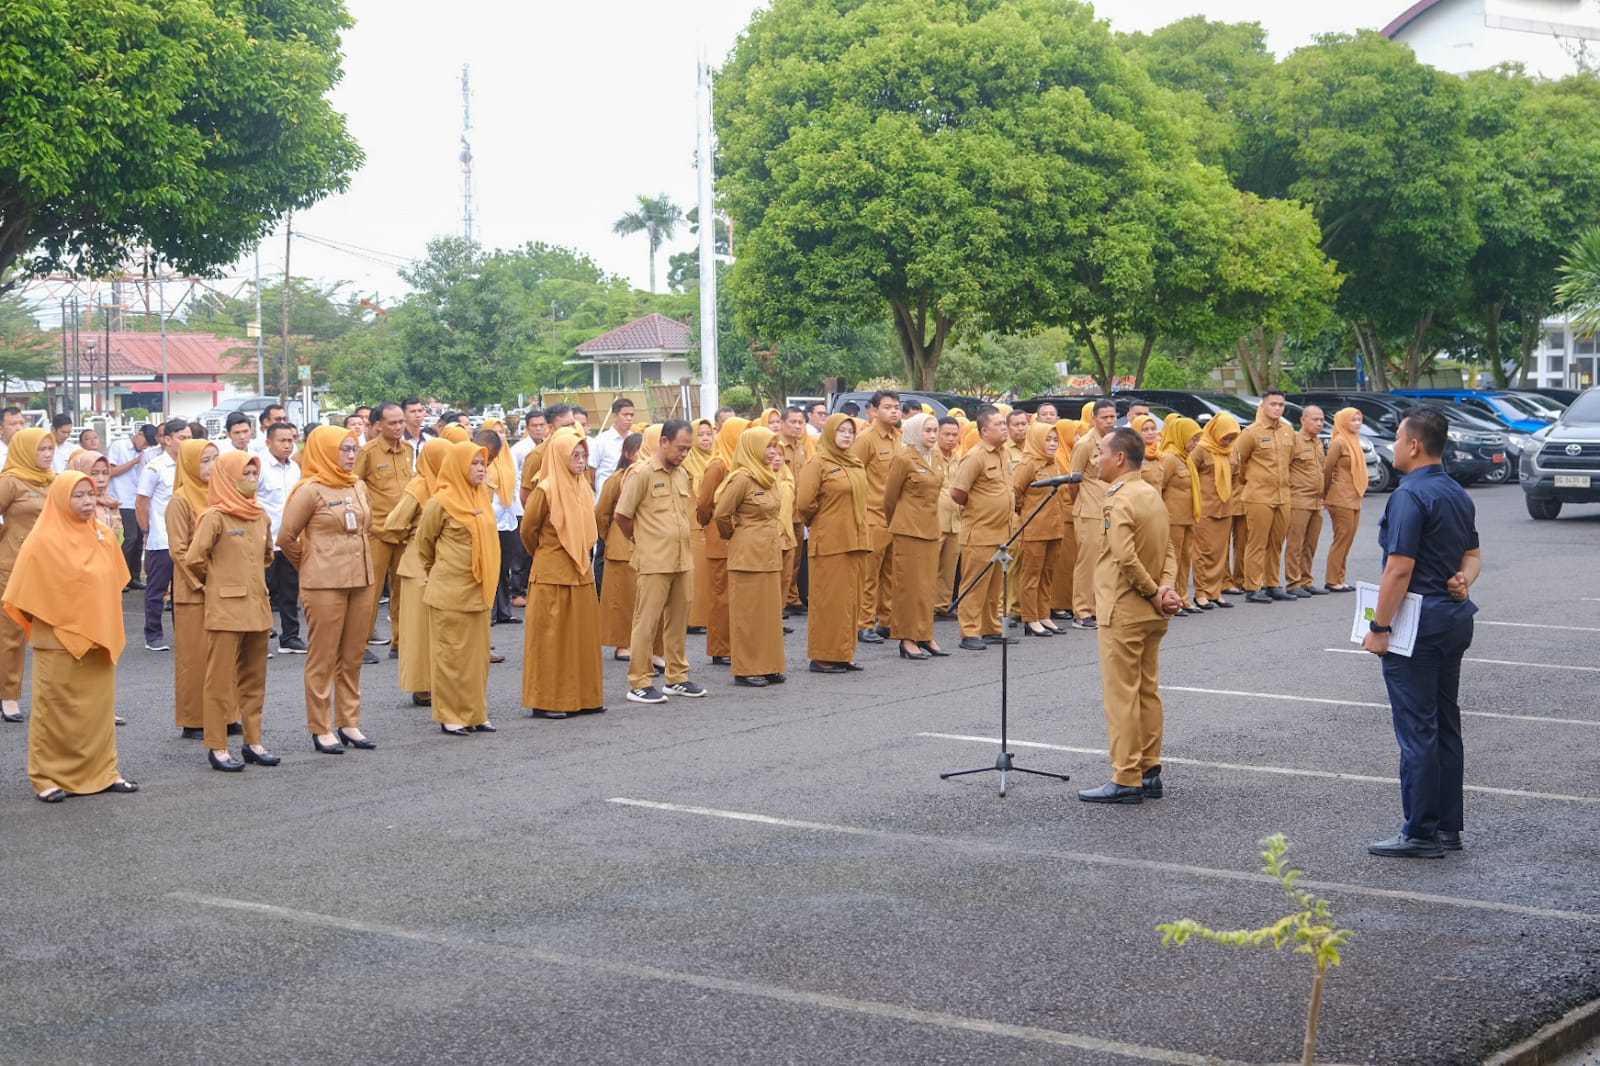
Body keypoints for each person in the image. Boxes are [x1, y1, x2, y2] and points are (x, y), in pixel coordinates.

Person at [1362, 407, 1481, 858]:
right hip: (1452, 618)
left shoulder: (1409, 495)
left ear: (1414, 445)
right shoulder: (1455, 491)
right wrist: (1465, 579)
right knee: (1445, 723)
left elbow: (1399, 569)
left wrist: (1379, 626)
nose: (1392, 445)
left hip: (1417, 623)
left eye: (1396, 438)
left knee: (1417, 728)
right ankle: (1448, 825)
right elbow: (1472, 554)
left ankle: (1419, 832)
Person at [4, 471, 136, 801]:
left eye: (90, 494)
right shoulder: (42, 539)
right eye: (78, 496)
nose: (87, 502)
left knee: (97, 712)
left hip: (98, 636)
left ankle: (104, 771)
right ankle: (46, 777)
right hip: (58, 639)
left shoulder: (103, 534)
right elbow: (23, 592)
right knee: (55, 712)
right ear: (61, 498)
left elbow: (116, 580)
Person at [1078, 428, 1181, 804]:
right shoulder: (1151, 492)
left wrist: (1156, 592)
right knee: (1146, 690)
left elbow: (1123, 556)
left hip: (1124, 608)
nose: (1095, 459)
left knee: (1122, 694)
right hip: (1150, 611)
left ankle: (1126, 776)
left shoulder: (1117, 500)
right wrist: (1165, 589)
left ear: (1119, 458)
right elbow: (1169, 547)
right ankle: (1150, 769)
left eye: (1101, 453)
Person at [278, 426, 377, 754]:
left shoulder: (358, 486)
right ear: (324, 450)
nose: (351, 456)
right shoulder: (310, 490)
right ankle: (321, 727)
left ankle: (349, 722)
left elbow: (368, 528)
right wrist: (311, 564)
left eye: (354, 450)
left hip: (360, 581)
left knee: (352, 656)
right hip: (324, 585)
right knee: (323, 657)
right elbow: (286, 538)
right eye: (344, 450)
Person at [185, 451, 277, 771]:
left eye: (254, 473)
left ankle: (253, 742)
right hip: (226, 609)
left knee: (254, 680)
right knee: (219, 682)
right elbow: (195, 560)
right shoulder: (215, 516)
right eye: (245, 474)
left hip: (257, 607)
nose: (251, 479)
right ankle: (217, 746)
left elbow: (267, 556)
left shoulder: (260, 515)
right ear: (228, 477)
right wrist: (220, 582)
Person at [416, 440, 501, 735]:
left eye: (483, 464)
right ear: (458, 466)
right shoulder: (440, 502)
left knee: (477, 658)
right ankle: (451, 715)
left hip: (479, 589)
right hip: (450, 591)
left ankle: (476, 713)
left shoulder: (481, 498)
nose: (481, 469)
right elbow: (424, 546)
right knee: (450, 656)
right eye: (474, 464)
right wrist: (441, 572)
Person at [614, 420, 702, 704]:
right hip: (654, 561)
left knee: (678, 623)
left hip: (681, 560)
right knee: (646, 623)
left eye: (688, 449)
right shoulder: (641, 473)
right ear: (664, 442)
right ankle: (639, 681)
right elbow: (622, 516)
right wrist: (641, 540)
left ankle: (677, 677)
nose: (684, 454)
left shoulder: (681, 474)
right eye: (680, 448)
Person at [521, 428, 607, 716]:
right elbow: (528, 531)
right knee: (551, 640)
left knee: (581, 637)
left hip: (581, 572)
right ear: (559, 457)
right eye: (575, 455)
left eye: (584, 455)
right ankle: (545, 702)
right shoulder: (545, 489)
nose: (581, 461)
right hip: (552, 574)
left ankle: (585, 697)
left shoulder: (583, 486)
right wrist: (549, 554)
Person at [710, 426, 788, 686]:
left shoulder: (768, 476)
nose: (772, 452)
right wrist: (735, 535)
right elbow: (721, 513)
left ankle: (769, 665)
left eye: (774, 447)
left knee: (768, 614)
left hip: (769, 553)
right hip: (748, 554)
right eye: (767, 446)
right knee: (748, 613)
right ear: (752, 448)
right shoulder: (742, 478)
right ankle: (747, 668)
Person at [795, 414, 871, 674]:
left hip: (856, 540)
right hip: (830, 541)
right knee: (829, 600)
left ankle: (843, 653)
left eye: (851, 431)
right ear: (829, 433)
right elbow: (804, 503)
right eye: (841, 431)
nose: (847, 435)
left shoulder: (855, 462)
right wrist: (823, 521)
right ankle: (822, 656)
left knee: (849, 601)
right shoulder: (818, 463)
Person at [383, 438, 450, 707]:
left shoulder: (451, 485)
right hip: (417, 565)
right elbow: (393, 524)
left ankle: (439, 682)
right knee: (419, 630)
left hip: (441, 563)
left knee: (439, 629)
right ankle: (422, 686)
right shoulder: (419, 485)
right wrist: (413, 535)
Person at [949, 407, 1018, 652]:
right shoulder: (975, 456)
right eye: (998, 424)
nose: (1004, 427)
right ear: (984, 431)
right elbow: (957, 492)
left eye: (1004, 424)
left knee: (994, 585)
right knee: (974, 584)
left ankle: (990, 627)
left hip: (1002, 532)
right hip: (980, 531)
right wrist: (977, 507)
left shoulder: (1003, 454)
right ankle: (969, 631)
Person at [0, 428, 55, 722]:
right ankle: (8, 696)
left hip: (49, 568)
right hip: (13, 566)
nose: (47, 455)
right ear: (24, 450)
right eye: (41, 450)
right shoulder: (10, 481)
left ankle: (61, 697)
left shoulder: (54, 482)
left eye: (50, 449)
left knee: (56, 633)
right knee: (12, 633)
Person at [165, 439, 219, 740]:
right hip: (194, 590)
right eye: (205, 460)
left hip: (223, 588)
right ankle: (194, 718)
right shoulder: (181, 500)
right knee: (195, 658)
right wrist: (205, 579)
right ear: (188, 464)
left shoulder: (222, 494)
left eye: (215, 459)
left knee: (224, 655)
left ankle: (225, 713)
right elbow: (179, 550)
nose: (212, 466)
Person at [354, 402, 416, 656]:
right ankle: (361, 644)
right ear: (378, 425)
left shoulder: (409, 450)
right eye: (393, 423)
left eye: (401, 421)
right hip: (377, 532)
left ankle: (400, 642)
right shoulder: (366, 453)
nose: (399, 426)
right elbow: (355, 488)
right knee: (370, 592)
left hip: (405, 531)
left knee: (404, 591)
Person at [883, 412, 947, 659]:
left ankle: (924, 633)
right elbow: (889, 499)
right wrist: (899, 523)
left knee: (927, 586)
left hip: (931, 529)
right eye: (927, 431)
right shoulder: (903, 458)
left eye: (934, 431)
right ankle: (907, 638)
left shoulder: (936, 456)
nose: (932, 435)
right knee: (908, 586)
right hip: (909, 530)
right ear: (913, 432)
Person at [849, 390, 903, 643]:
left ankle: (887, 620)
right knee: (869, 575)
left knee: (891, 574)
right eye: (888, 407)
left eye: (897, 407)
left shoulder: (899, 437)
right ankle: (864, 623)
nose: (894, 411)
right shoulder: (866, 439)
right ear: (874, 410)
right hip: (872, 515)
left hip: (895, 517)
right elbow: (854, 477)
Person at [697, 417, 750, 666]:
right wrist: (710, 526)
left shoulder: (739, 464)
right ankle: (720, 648)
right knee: (721, 597)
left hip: (735, 538)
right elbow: (704, 503)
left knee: (734, 595)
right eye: (741, 435)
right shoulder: (718, 465)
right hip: (719, 539)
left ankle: (732, 645)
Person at [136, 419, 191, 650]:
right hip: (161, 539)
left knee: (184, 592)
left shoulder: (192, 466)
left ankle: (185, 634)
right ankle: (154, 635)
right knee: (157, 590)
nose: (187, 443)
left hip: (187, 540)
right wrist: (147, 532)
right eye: (182, 438)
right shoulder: (155, 467)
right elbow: (141, 503)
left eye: (189, 438)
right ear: (167, 440)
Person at [1237, 391, 1295, 603]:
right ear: (1262, 405)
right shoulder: (1251, 432)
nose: (1278, 408)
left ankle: (1272, 584)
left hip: (1283, 495)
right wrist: (1250, 481)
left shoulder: (1288, 431)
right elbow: (1239, 463)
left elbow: (1289, 461)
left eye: (1281, 404)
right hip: (1259, 495)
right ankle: (1252, 587)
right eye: (1273, 404)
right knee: (1257, 542)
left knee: (1277, 542)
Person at [1009, 420, 1064, 638]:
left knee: (1048, 574)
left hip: (1054, 528)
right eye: (1047, 439)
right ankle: (1030, 619)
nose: (1052, 444)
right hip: (1034, 528)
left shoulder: (1054, 463)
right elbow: (1015, 494)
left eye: (1055, 440)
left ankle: (1044, 614)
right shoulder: (1028, 464)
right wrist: (1026, 514)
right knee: (1031, 575)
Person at [1067, 400, 1118, 628]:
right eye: (1104, 417)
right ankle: (1082, 611)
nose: (1109, 421)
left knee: (1106, 561)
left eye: (1112, 417)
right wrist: (1083, 502)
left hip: (1109, 510)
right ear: (1094, 419)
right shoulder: (1085, 444)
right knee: (1087, 563)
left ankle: (1100, 608)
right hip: (1088, 511)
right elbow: (1073, 481)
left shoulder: (1115, 442)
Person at [258, 422, 307, 654]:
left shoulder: (295, 468)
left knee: (290, 590)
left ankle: (290, 637)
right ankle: (260, 640)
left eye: (291, 440)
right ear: (269, 442)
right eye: (282, 440)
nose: (288, 445)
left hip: (289, 538)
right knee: (262, 591)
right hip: (264, 539)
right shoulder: (258, 467)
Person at [595, 433, 644, 660]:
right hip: (622, 545)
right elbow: (601, 513)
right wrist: (612, 536)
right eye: (639, 451)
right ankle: (623, 643)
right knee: (623, 597)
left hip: (647, 543)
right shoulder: (617, 479)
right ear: (627, 454)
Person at [1191, 413, 1241, 611]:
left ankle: (1215, 592)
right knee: (1204, 552)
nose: (1228, 441)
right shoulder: (1201, 450)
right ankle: (1201, 593)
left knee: (1220, 552)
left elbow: (1236, 475)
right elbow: (1190, 476)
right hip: (1204, 508)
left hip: (1225, 507)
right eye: (1225, 437)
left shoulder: (1230, 450)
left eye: (1232, 438)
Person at [476, 423, 521, 624]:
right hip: (489, 518)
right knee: (490, 566)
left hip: (508, 518)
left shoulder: (508, 458)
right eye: (496, 432)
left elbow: (514, 486)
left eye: (503, 431)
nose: (501, 436)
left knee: (504, 566)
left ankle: (504, 610)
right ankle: (491, 610)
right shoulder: (479, 462)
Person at [1160, 417, 1203, 613]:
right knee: (1173, 560)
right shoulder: (1169, 457)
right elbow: (1160, 487)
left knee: (1186, 558)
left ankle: (1184, 598)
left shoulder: (1186, 457)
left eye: (1197, 439)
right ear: (1180, 436)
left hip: (1187, 518)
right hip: (1173, 518)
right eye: (1192, 439)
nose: (1195, 444)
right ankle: (1172, 599)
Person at [1285, 405, 1329, 599]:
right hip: (1298, 499)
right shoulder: (1294, 440)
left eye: (1321, 420)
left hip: (1315, 500)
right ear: (1303, 420)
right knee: (1295, 544)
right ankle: (1293, 582)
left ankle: (1306, 580)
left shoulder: (1318, 442)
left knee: (1310, 544)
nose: (1319, 423)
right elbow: (1283, 468)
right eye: (1315, 420)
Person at [1323, 408, 1367, 593]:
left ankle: (1341, 578)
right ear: (1342, 422)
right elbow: (1327, 469)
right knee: (1341, 538)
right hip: (1340, 497)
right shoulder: (1339, 442)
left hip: (1355, 496)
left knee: (1348, 539)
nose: (1357, 423)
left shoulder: (1355, 441)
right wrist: (1323, 495)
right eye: (1353, 420)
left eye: (1359, 419)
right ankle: (1332, 580)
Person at [106, 425, 152, 587]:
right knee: (130, 537)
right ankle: (121, 577)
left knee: (140, 538)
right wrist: (133, 462)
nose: (145, 447)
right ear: (139, 434)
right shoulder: (119, 445)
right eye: (145, 442)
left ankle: (134, 576)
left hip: (137, 499)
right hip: (121, 497)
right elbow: (111, 471)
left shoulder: (146, 453)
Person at [777, 406, 811, 614]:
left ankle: (792, 596)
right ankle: (780, 600)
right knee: (783, 558)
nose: (798, 426)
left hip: (798, 510)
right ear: (782, 424)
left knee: (796, 558)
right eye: (793, 422)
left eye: (801, 422)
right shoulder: (778, 448)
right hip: (782, 511)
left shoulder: (801, 447)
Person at [684, 417, 716, 634]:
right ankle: (693, 618)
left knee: (709, 572)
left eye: (708, 434)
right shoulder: (686, 462)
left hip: (711, 520)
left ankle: (705, 616)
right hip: (692, 520)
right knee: (696, 571)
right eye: (700, 435)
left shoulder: (715, 460)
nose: (706, 439)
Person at [1048, 419, 1080, 622]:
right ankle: (1057, 603)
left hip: (1072, 513)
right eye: (1074, 434)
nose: (1077, 438)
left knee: (1070, 562)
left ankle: (1067, 602)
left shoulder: (1069, 454)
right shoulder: (1059, 456)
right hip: (1064, 514)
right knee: (1062, 563)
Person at [933, 416, 963, 618]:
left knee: (949, 567)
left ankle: (942, 605)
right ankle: (926, 604)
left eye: (954, 435)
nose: (951, 439)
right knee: (930, 567)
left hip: (955, 520)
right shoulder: (929, 455)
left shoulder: (958, 457)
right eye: (947, 434)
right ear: (937, 434)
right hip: (935, 520)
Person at [68, 452, 123, 543]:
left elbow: (118, 540)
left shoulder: (110, 504)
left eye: (105, 473)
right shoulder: (71, 506)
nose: (101, 479)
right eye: (94, 473)